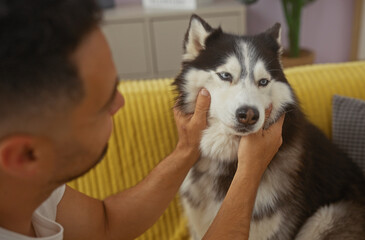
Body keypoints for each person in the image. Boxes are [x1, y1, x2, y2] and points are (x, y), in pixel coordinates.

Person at [0, 0, 284, 239]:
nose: (121, 103)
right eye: (102, 104)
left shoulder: (28, 191)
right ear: (26, 156)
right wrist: (250, 170)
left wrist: (187, 149)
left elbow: (105, 224)